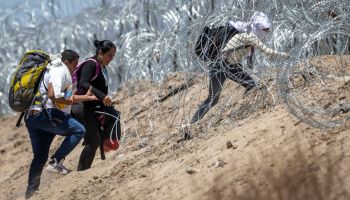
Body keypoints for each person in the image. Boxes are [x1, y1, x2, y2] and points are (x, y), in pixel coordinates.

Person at [190, 12, 289, 124]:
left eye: (267, 30)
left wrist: (249, 60)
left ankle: (192, 123)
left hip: (223, 66)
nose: (266, 33)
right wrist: (285, 55)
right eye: (264, 30)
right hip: (224, 66)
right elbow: (268, 52)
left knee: (214, 98)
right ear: (257, 27)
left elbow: (246, 49)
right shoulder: (246, 34)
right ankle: (247, 110)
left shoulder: (245, 31)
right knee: (214, 99)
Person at [24, 50, 97, 199]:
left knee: (40, 156)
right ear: (67, 61)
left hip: (33, 117)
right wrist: (68, 100)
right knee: (79, 130)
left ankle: (31, 193)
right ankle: (56, 161)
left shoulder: (60, 73)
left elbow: (68, 97)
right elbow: (54, 95)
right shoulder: (59, 69)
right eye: (75, 64)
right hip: (45, 114)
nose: (76, 68)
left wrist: (86, 97)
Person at [75, 39, 120, 171]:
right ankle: (80, 172)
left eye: (113, 56)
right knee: (93, 139)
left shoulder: (102, 67)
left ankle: (82, 170)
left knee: (98, 137)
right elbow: (83, 83)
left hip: (92, 107)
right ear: (100, 52)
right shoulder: (91, 64)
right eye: (109, 55)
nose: (111, 58)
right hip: (82, 106)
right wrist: (102, 96)